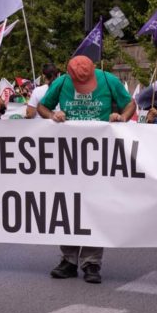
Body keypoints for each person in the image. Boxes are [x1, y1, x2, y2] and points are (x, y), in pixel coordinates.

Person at [37, 55, 135, 284]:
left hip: (99, 157)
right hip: (68, 158)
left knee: (95, 208)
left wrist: (121, 117)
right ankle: (68, 260)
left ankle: (91, 263)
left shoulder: (108, 80)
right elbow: (42, 107)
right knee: (68, 208)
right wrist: (52, 115)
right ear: (70, 76)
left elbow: (130, 104)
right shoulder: (61, 83)